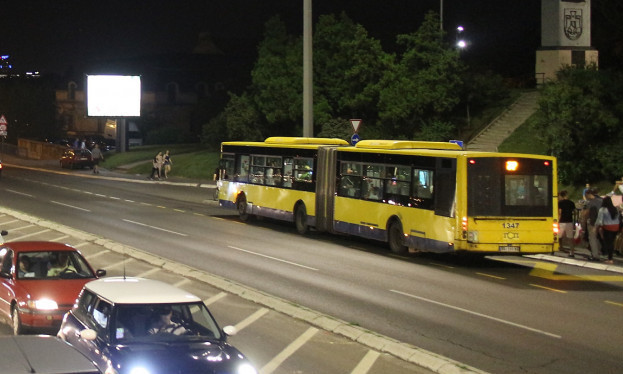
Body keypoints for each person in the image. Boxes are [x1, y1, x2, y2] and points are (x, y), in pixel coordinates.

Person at [595, 196, 620, 264]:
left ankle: (610, 258)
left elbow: (599, 221)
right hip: (616, 227)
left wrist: (596, 227)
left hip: (607, 227)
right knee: (611, 242)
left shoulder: (602, 209)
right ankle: (610, 256)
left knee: (608, 242)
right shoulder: (615, 209)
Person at [583, 188, 603, 261]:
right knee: (598, 238)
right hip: (601, 222)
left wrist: (584, 220)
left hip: (592, 222)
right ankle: (599, 252)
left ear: (588, 194)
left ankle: (595, 255)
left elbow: (586, 213)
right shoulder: (601, 201)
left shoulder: (590, 203)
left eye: (586, 195)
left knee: (592, 239)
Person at [558, 190, 576, 257]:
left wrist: (558, 220)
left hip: (562, 221)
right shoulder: (571, 203)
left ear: (561, 196)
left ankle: (559, 247)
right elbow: (574, 212)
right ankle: (572, 251)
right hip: (569, 221)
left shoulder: (560, 203)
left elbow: (560, 212)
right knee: (570, 237)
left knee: (559, 235)